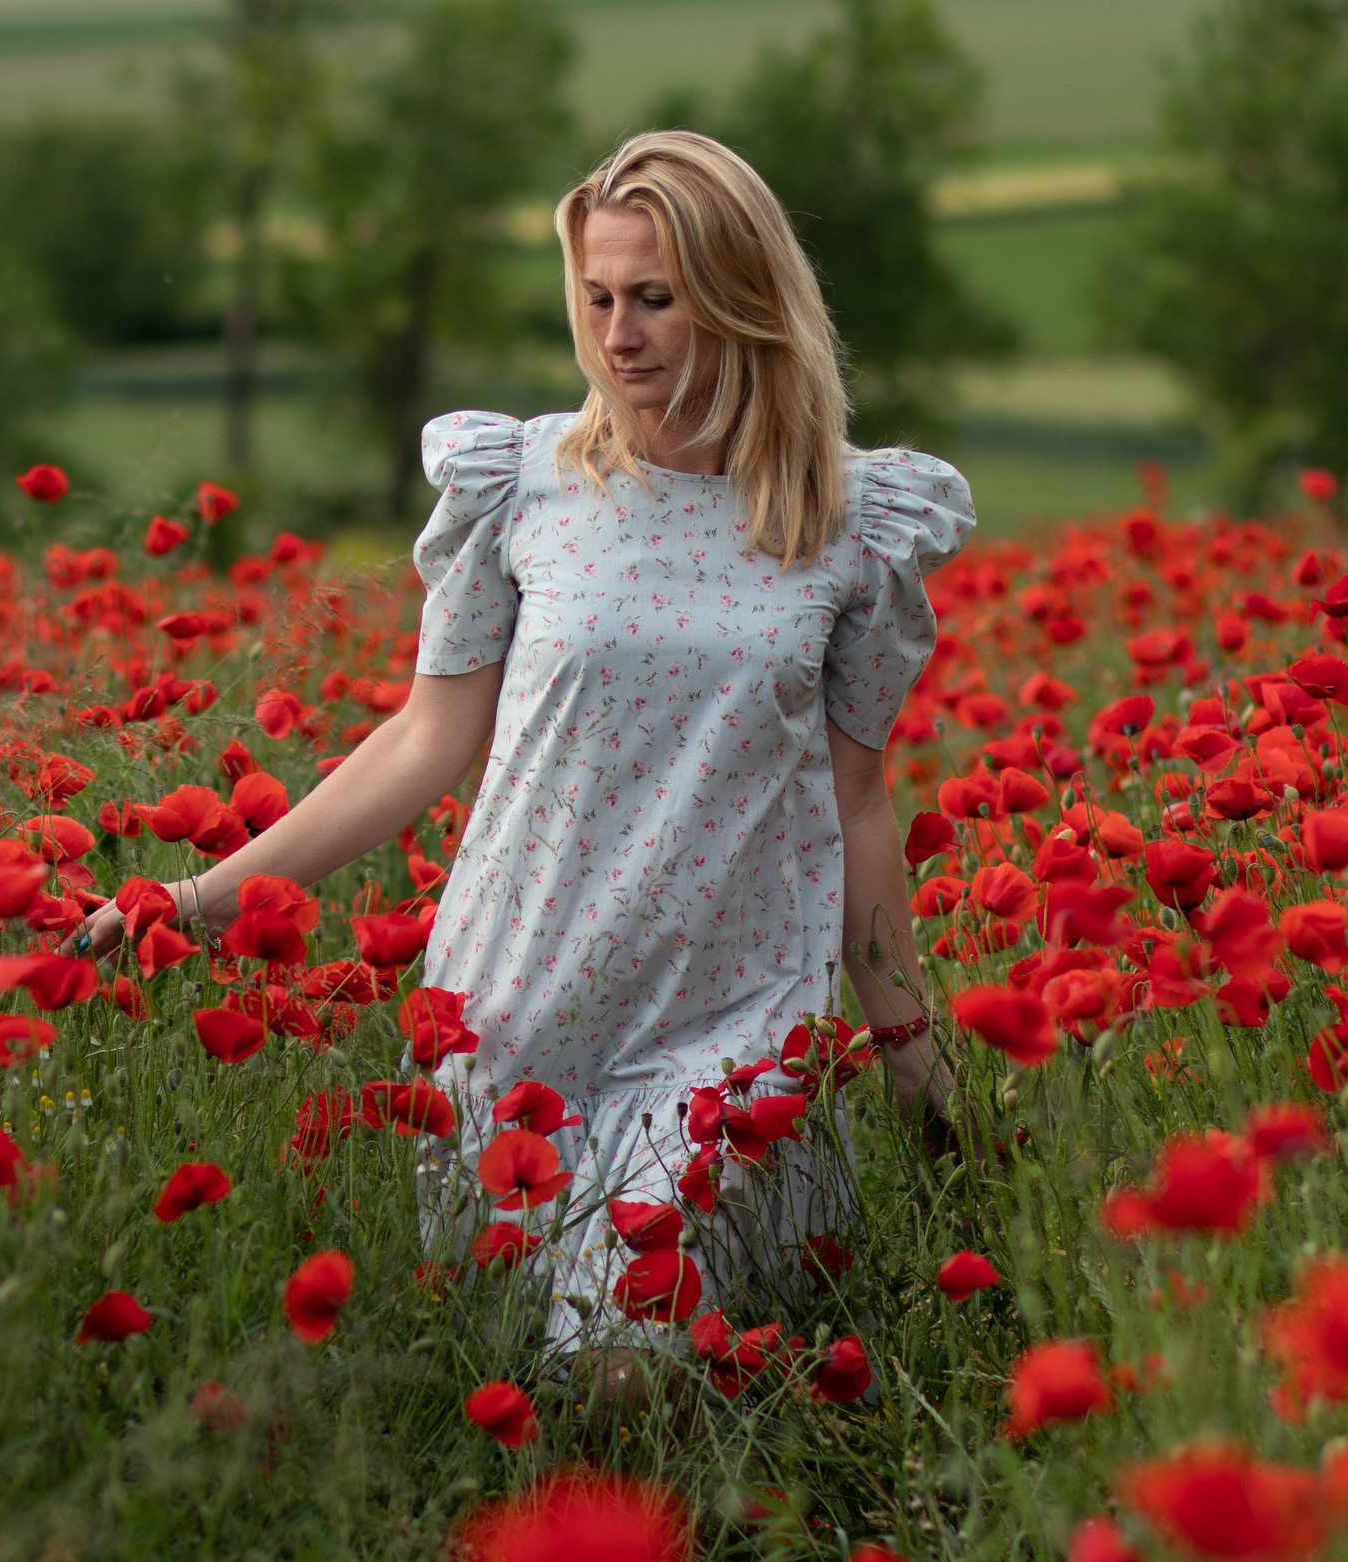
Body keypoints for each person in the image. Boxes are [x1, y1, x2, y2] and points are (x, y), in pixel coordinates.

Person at [87, 130, 971, 1385]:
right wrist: (202, 898)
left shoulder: (853, 524)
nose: (618, 336)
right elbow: (425, 739)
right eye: (596, 298)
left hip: (729, 1014)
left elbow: (857, 805)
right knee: (530, 1383)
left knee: (627, 1354)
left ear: (743, 297)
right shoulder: (521, 489)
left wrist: (909, 1053)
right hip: (518, 1004)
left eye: (654, 298)